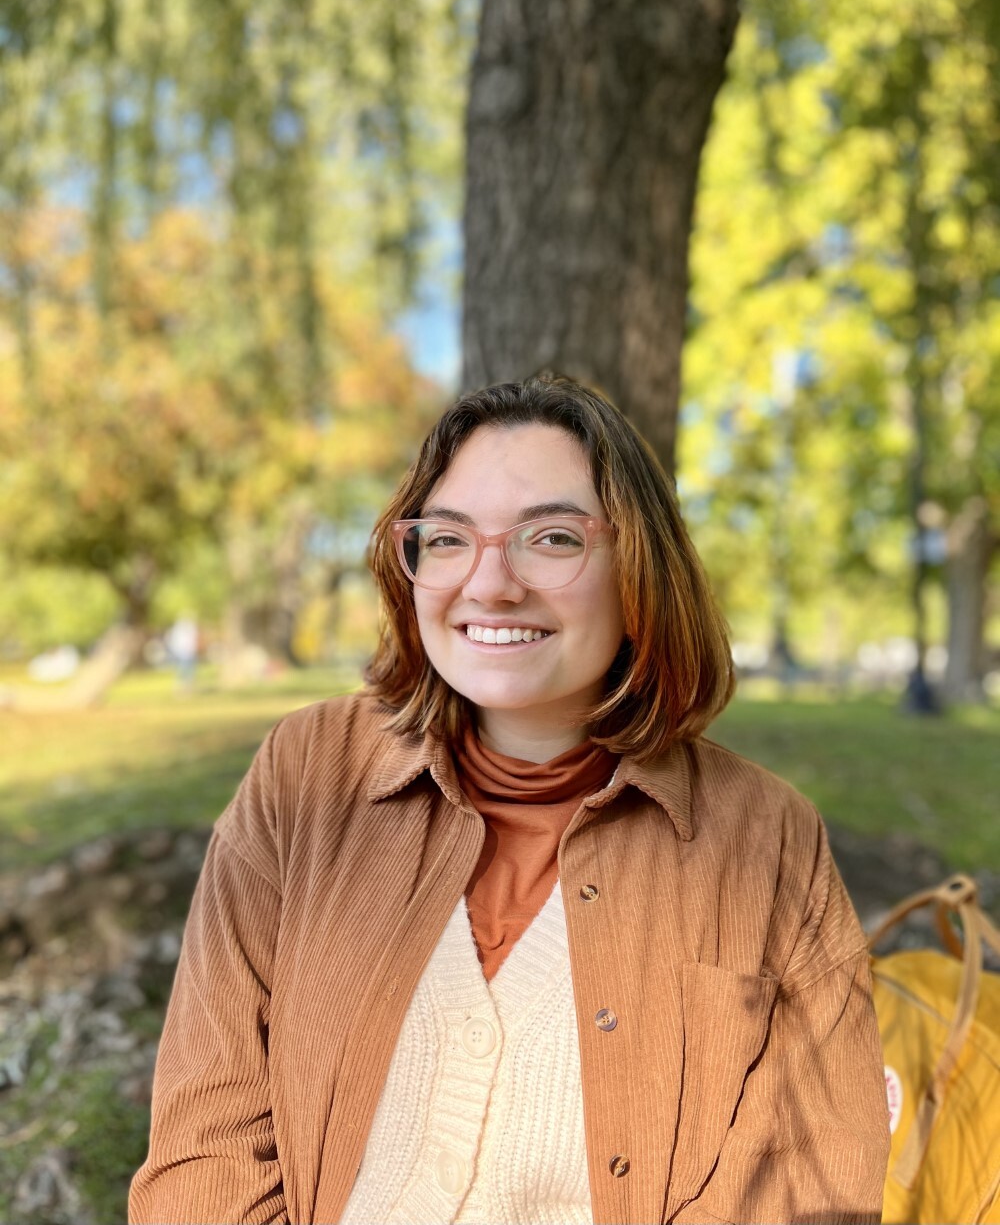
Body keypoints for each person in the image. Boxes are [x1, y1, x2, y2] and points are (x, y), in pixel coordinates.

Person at [130, 373, 890, 1225]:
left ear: (639, 568)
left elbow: (809, 1182)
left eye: (552, 538)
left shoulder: (767, 838)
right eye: (449, 540)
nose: (490, 585)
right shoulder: (307, 775)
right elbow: (209, 1140)